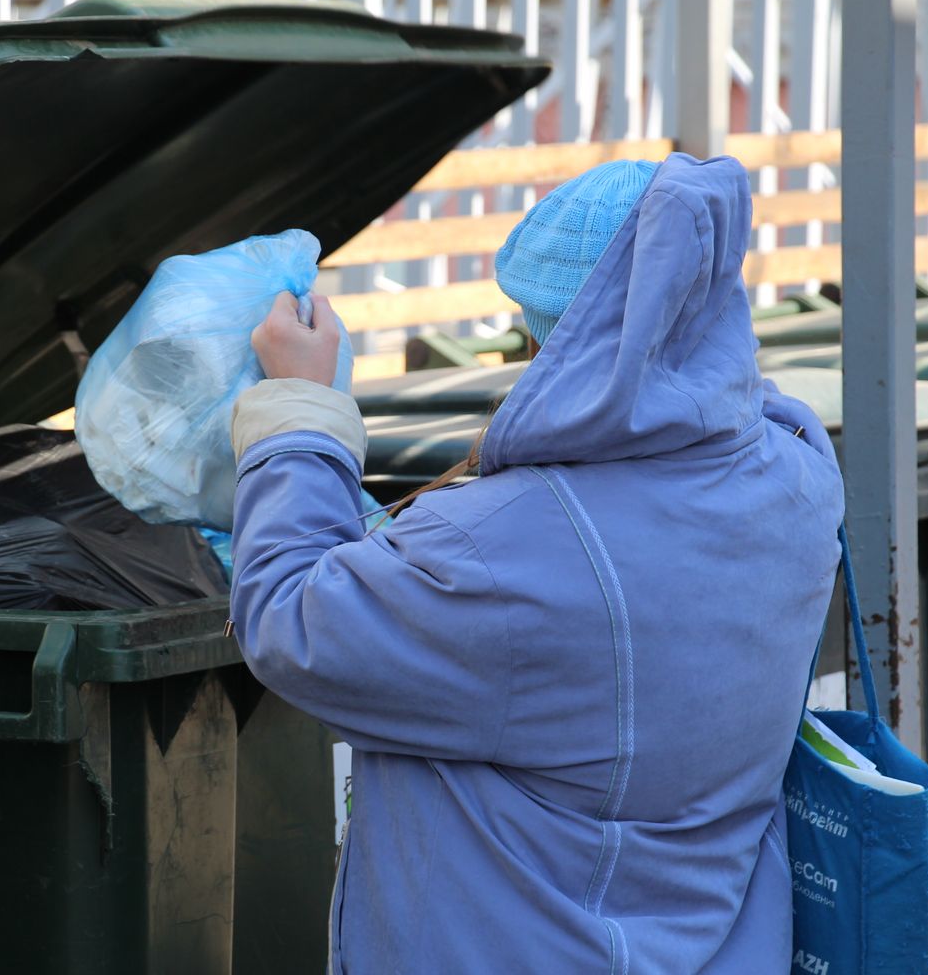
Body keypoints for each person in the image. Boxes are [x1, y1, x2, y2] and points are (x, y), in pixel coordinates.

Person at [227, 153, 844, 973]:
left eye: (531, 324)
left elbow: (288, 621)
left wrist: (299, 415)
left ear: (564, 337)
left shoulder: (503, 547)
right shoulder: (796, 472)